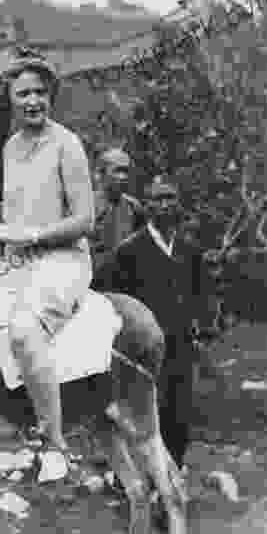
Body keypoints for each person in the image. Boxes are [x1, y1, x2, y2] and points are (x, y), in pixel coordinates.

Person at [0, 48, 95, 469]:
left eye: (39, 92)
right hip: (20, 262)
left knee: (25, 329)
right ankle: (2, 416)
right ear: (11, 100)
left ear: (51, 96)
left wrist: (28, 235)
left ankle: (55, 444)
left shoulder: (67, 144)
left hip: (63, 261)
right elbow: (19, 212)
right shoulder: (11, 148)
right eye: (23, 94)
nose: (32, 101)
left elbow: (84, 219)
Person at [92, 176, 217, 469]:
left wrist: (202, 325)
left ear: (178, 205)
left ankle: (173, 471)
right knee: (144, 412)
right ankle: (141, 477)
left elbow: (202, 292)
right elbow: (106, 295)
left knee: (178, 410)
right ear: (146, 207)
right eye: (157, 200)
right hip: (143, 350)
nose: (164, 205)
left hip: (181, 346)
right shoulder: (129, 251)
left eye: (170, 198)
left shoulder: (189, 250)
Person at [92, 147, 146, 273]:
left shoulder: (134, 207)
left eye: (126, 171)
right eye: (117, 171)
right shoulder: (85, 205)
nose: (123, 177)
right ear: (101, 174)